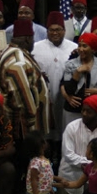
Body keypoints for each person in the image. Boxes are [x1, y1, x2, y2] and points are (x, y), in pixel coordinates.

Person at [0, 19, 50, 194]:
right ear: (28, 38)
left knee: (20, 157)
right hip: (22, 122)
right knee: (21, 157)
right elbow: (23, 93)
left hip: (18, 119)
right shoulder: (18, 61)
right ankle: (17, 191)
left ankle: (16, 189)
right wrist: (31, 122)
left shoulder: (10, 52)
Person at [32, 12, 78, 160]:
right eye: (51, 30)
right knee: (46, 132)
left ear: (64, 30)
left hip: (66, 99)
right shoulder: (36, 48)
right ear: (47, 31)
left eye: (58, 29)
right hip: (44, 99)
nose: (55, 33)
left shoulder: (74, 48)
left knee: (65, 131)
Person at [61, 32, 97, 128]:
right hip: (72, 109)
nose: (81, 49)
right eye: (79, 46)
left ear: (93, 49)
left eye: (84, 46)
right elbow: (68, 90)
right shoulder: (70, 64)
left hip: (92, 110)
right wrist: (77, 73)